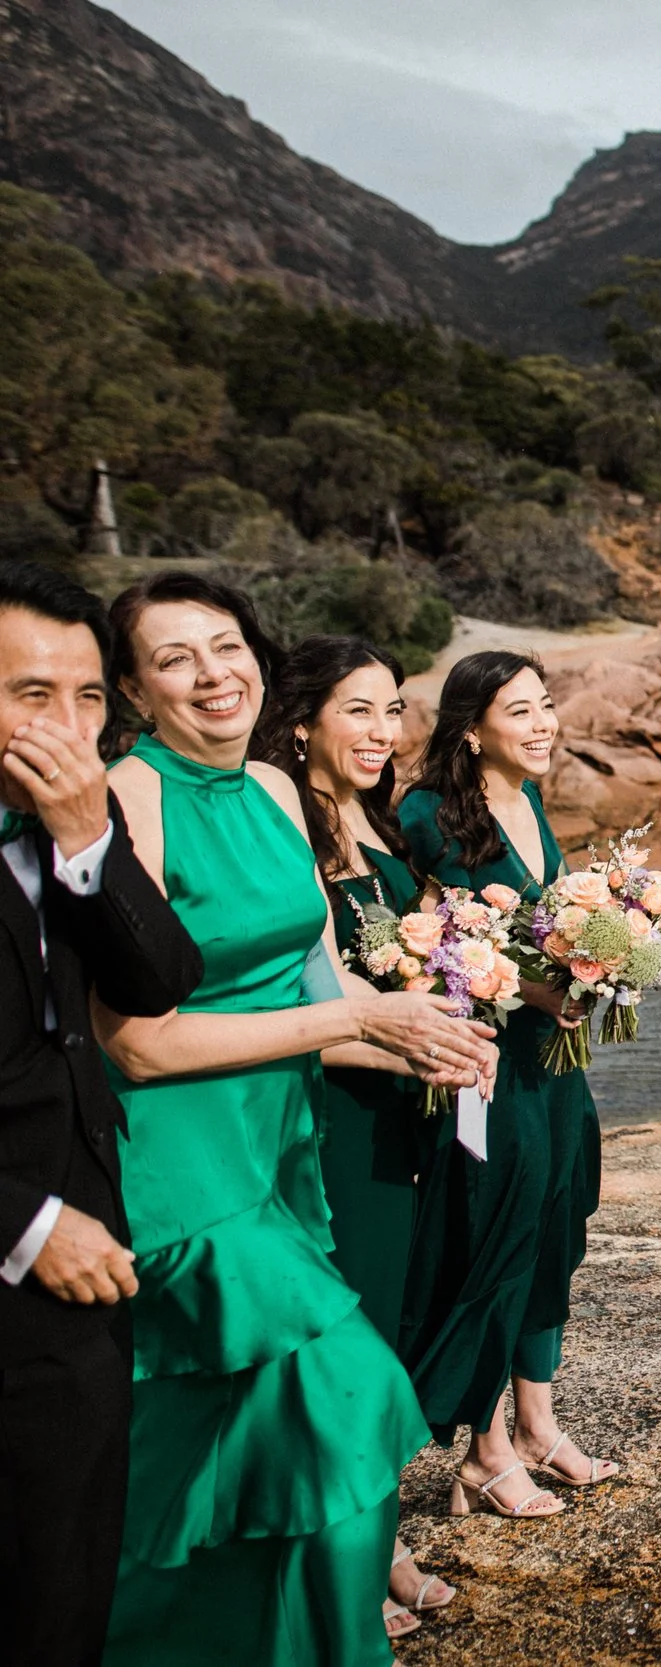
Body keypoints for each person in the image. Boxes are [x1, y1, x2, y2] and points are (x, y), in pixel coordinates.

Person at [92, 573, 495, 1662]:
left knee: (231, 1459)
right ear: (131, 686)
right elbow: (138, 1039)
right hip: (176, 1163)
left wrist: (420, 1039)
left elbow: (310, 1002)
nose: (213, 673)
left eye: (226, 646)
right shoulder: (126, 797)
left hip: (279, 1153)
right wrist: (369, 1018)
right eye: (175, 658)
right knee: (351, 1400)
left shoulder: (274, 789)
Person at [0, 561, 203, 1667]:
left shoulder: (67, 820)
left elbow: (160, 972)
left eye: (89, 698)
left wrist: (89, 843)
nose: (70, 725)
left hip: (80, 1281)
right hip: (32, 1241)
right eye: (35, 694)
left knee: (64, 1583)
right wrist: (25, 1224)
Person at [252, 636, 457, 1636]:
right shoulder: (288, 824)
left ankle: (382, 1536)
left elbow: (419, 962)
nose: (384, 733)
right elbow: (320, 1002)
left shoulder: (379, 825)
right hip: (339, 1110)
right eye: (359, 710)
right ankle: (350, 1560)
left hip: (402, 1109)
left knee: (395, 1325)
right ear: (300, 721)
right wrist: (418, 1045)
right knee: (349, 1339)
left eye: (394, 711)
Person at [399, 651, 617, 1518]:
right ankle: (485, 1451)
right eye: (519, 711)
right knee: (496, 1233)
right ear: (470, 727)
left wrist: (603, 962)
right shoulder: (425, 815)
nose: (541, 724)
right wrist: (540, 987)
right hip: (484, 1063)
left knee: (557, 1222)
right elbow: (441, 937)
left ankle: (538, 1423)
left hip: (552, 1061)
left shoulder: (525, 799)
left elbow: (543, 922)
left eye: (546, 705)